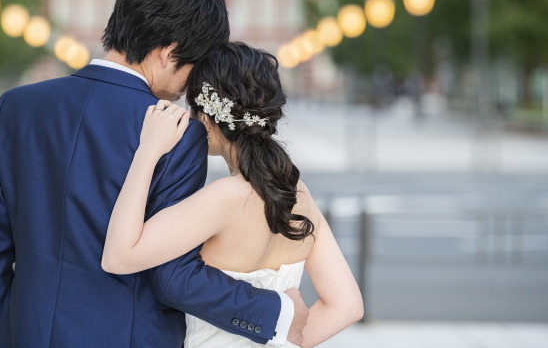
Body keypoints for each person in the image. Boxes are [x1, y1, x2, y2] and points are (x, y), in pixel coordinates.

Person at [0, 0, 308, 347]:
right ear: (168, 53)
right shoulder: (178, 133)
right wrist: (274, 312)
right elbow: (172, 276)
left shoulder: (16, 108)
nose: (192, 86)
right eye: (195, 66)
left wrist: (1, 338)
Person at [102, 42, 364, 347]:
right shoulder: (297, 193)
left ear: (207, 119)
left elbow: (118, 256)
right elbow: (347, 305)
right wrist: (285, 337)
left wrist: (148, 150)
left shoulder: (223, 199)